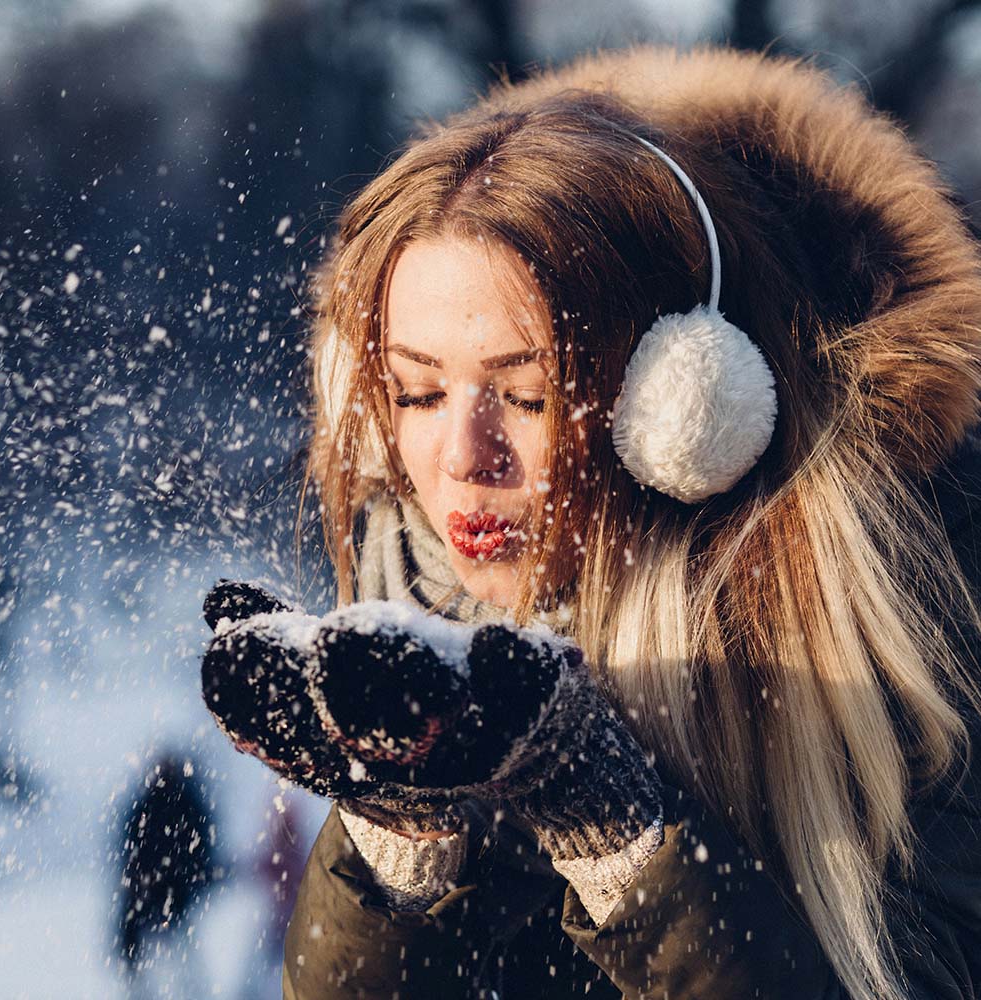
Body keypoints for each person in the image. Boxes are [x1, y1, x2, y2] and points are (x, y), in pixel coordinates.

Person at [200, 44, 981, 999]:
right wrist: (398, 843)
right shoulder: (416, 606)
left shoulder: (912, 631)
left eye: (524, 398)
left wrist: (617, 837)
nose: (461, 458)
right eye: (414, 392)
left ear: (683, 408)